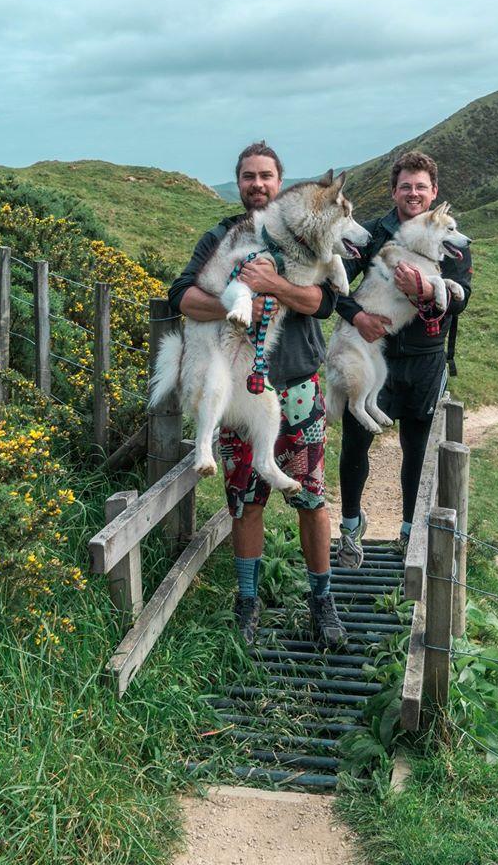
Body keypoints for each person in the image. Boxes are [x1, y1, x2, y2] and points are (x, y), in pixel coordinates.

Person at [167, 142, 347, 647]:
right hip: (242, 384)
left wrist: (271, 285)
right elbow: (180, 294)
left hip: (299, 385)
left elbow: (323, 302)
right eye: (248, 176)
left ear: (280, 182)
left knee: (311, 496)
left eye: (266, 176)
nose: (256, 184)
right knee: (245, 500)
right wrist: (234, 304)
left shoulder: (303, 235)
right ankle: (247, 605)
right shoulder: (223, 236)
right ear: (239, 181)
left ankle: (323, 601)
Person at [335, 150, 473, 567]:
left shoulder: (451, 243)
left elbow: (461, 300)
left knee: (417, 452)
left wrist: (431, 291)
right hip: (377, 352)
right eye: (405, 186)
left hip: (427, 359)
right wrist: (358, 317)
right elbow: (334, 288)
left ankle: (409, 538)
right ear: (394, 190)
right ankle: (350, 529)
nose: (413, 193)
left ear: (433, 192)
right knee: (356, 443)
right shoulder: (374, 234)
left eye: (421, 186)